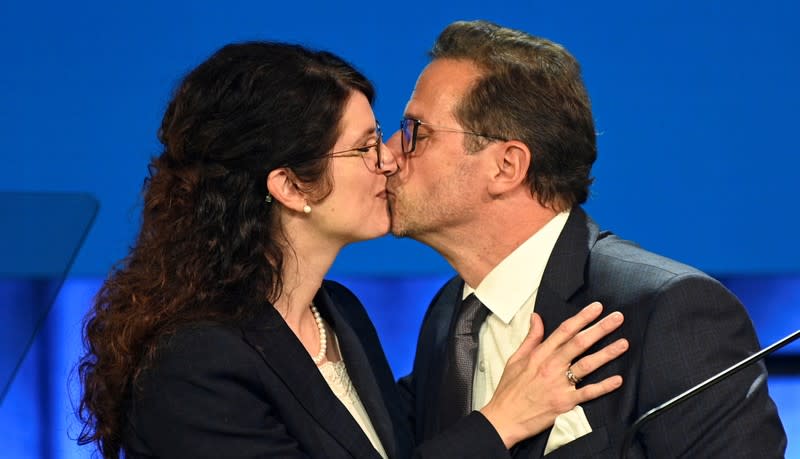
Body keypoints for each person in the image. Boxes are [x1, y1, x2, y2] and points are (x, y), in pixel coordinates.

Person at [76, 41, 628, 459]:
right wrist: (500, 421)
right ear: (291, 186)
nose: (389, 160)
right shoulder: (195, 362)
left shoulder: (337, 312)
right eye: (364, 148)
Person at [386, 20, 787, 458]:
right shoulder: (449, 318)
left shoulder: (668, 312)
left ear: (506, 166)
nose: (389, 153)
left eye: (415, 133)